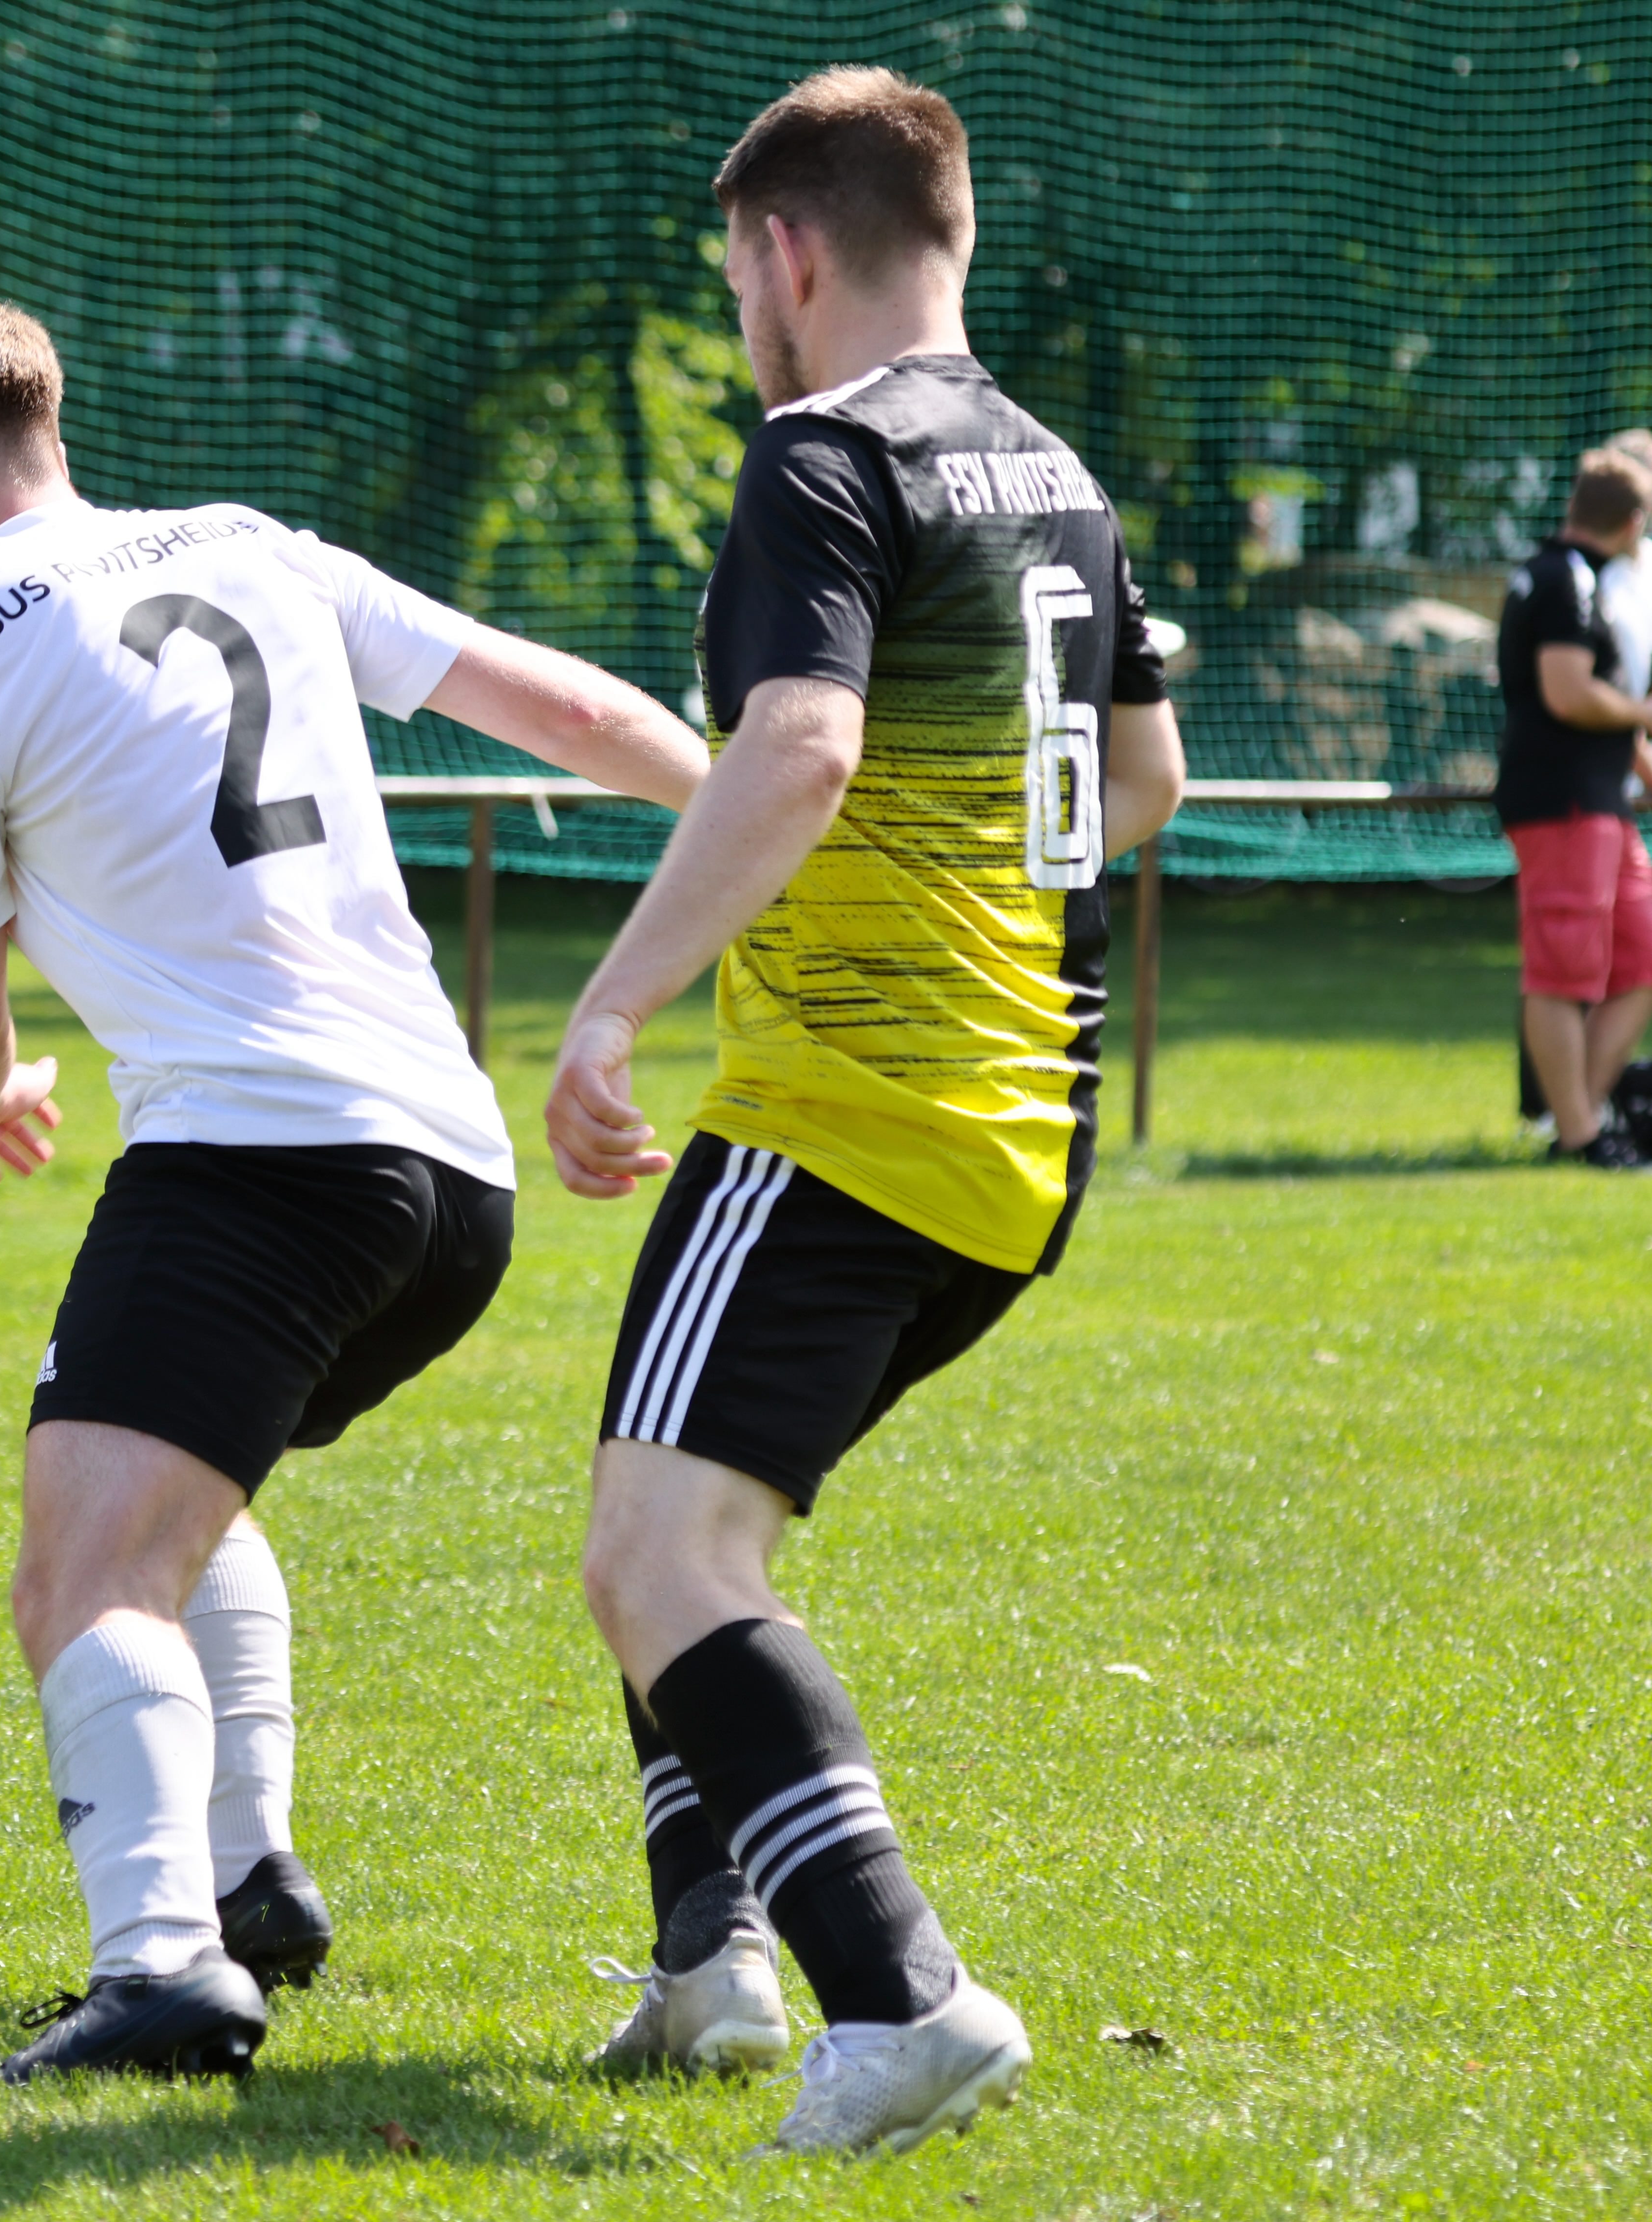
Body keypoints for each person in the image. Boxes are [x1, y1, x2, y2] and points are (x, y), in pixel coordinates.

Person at [0, 286, 709, 2082]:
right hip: (449, 1173)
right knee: (169, 1485)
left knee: (80, 1574)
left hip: (257, 1163)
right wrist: (761, 813)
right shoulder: (249, 543)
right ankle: (247, 1880)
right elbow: (569, 705)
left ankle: (158, 1967)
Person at [541, 69, 1186, 2156]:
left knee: (661, 1550)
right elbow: (1140, 781)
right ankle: (705, 1962)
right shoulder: (1058, 475)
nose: (742, 313)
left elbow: (801, 745)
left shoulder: (822, 455)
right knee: (672, 1518)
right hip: (1017, 1142)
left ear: (785, 251)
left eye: (736, 276)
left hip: (842, 1112)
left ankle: (898, 1998)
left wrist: (613, 1002)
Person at [1496, 452, 1652, 1168]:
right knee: (1561, 971)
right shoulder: (1563, 578)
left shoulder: (1574, 575)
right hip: (1561, 803)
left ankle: (1584, 1120)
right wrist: (1641, 713)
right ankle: (1582, 1134)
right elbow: (1567, 692)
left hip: (1600, 803)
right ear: (1631, 522)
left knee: (1640, 955)